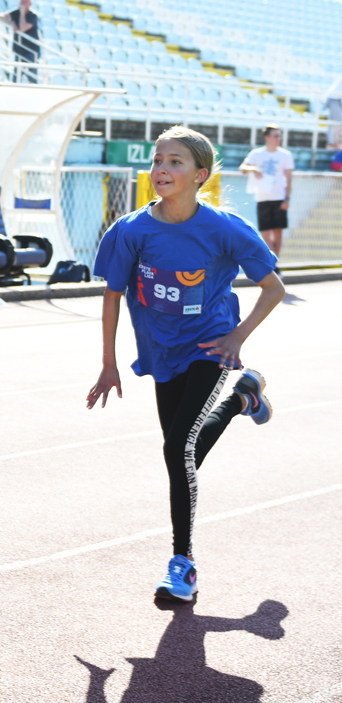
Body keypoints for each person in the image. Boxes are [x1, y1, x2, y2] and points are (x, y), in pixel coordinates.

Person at [86, 126, 285, 602]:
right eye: (158, 160)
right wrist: (109, 363)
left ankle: (183, 563)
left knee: (177, 450)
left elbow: (273, 288)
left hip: (209, 347)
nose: (162, 169)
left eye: (175, 162)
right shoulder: (130, 230)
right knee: (183, 453)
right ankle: (242, 399)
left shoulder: (225, 228)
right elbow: (111, 297)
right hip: (161, 352)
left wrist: (236, 336)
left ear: (201, 175)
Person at [240, 125, 294, 263]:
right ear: (267, 137)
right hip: (262, 197)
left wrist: (287, 199)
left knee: (278, 232)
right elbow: (243, 168)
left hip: (279, 197)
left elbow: (289, 178)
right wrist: (254, 169)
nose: (278, 139)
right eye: (275, 136)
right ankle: (271, 262)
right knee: (265, 232)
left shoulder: (285, 155)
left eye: (279, 136)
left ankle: (275, 263)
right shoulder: (256, 154)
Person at [0, 0, 40, 84]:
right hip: (19, 50)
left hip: (31, 51)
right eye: (21, 1)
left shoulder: (32, 16)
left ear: (29, 4)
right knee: (16, 76)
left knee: (32, 77)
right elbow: (1, 16)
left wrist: (22, 13)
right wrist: (12, 23)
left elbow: (22, 28)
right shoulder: (16, 12)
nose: (22, 3)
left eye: (25, 2)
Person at [327, 76, 342, 150]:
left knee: (335, 122)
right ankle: (334, 143)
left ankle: (333, 142)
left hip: (335, 99)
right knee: (338, 122)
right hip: (334, 99)